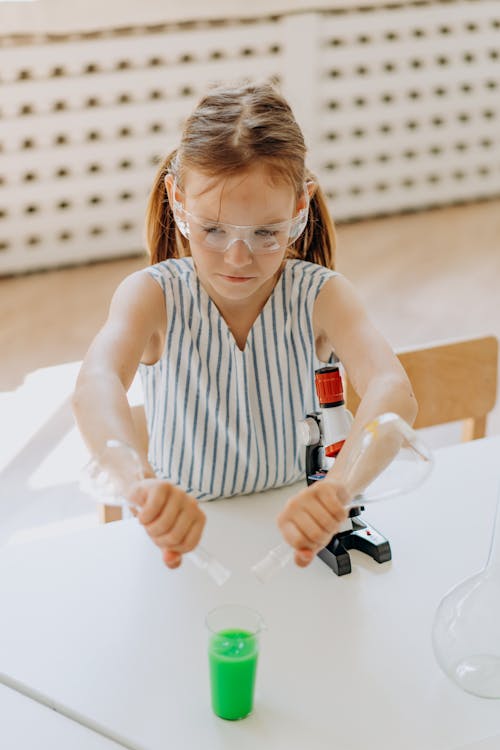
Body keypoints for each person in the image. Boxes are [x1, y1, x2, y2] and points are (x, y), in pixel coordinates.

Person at [72, 81, 417, 571]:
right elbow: (95, 384)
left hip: (289, 535)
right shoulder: (151, 296)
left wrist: (340, 488)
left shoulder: (322, 295)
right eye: (213, 229)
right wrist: (136, 482)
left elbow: (393, 391)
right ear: (176, 200)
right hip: (189, 542)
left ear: (300, 210)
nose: (239, 257)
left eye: (266, 233)